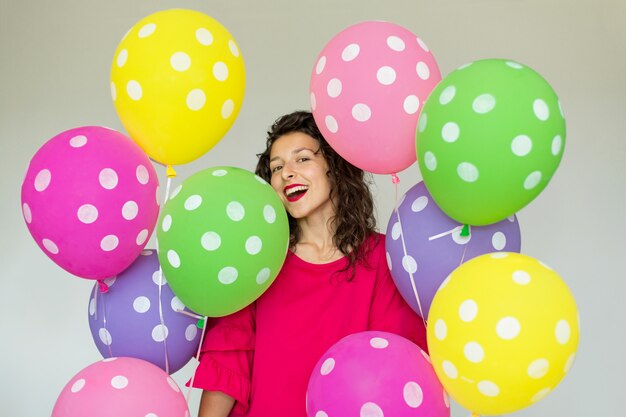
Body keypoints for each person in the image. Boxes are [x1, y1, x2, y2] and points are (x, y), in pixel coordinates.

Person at [192, 111, 426, 417]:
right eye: (277, 168)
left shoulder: (385, 258)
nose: (287, 173)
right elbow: (226, 369)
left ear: (334, 166)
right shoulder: (257, 264)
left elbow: (395, 372)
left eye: (302, 159)